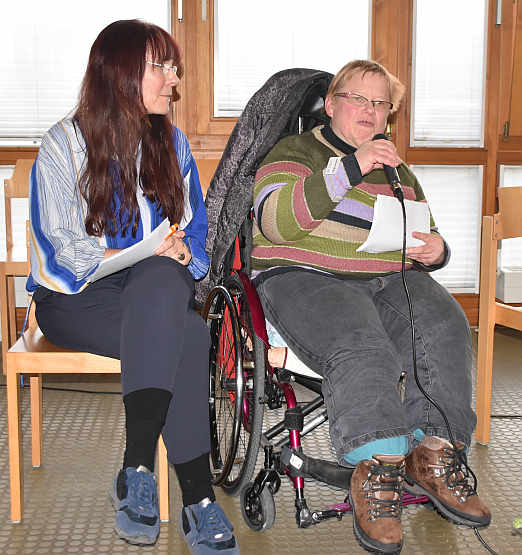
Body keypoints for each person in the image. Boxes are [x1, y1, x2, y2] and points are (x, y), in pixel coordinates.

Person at [251, 60, 490, 554]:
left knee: (446, 324)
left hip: (386, 275)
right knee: (362, 343)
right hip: (304, 274)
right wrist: (352, 167)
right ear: (332, 104)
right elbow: (276, 222)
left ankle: (434, 454)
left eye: (380, 102)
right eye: (358, 98)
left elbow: (425, 229)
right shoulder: (294, 151)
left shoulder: (396, 168)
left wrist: (437, 249)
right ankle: (378, 469)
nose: (370, 109)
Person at [28, 19, 239, 554]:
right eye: (160, 67)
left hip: (154, 295)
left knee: (172, 297)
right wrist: (135, 254)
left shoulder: (172, 143)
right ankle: (199, 500)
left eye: (174, 67)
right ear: (120, 74)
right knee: (177, 318)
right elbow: (62, 251)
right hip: (75, 299)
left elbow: (195, 234)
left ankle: (139, 468)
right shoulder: (63, 145)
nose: (173, 79)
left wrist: (183, 252)